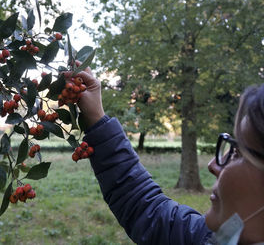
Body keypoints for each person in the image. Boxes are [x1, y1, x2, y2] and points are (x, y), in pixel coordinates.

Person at [67, 67, 264, 244]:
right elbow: (148, 213)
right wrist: (96, 118)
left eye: (237, 152)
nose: (213, 165)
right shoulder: (211, 240)